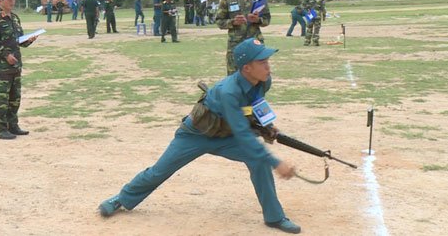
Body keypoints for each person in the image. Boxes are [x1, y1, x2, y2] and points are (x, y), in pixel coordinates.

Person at [98, 38, 301, 234]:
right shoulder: (228, 91)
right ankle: (121, 199)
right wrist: (276, 162)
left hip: (226, 136)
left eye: (268, 61)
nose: (268, 66)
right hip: (195, 135)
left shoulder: (264, 81)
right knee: (159, 171)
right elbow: (243, 135)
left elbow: (255, 104)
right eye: (262, 62)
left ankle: (274, 217)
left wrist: (268, 125)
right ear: (246, 68)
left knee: (259, 162)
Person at [0, 0, 37, 140]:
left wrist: (29, 40)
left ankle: (13, 125)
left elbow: (19, 41)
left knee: (15, 98)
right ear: (0, 1)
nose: (12, 1)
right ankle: (1, 129)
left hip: (15, 65)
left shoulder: (14, 18)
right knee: (2, 100)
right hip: (1, 67)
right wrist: (5, 55)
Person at [216, 0, 271, 75]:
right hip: (236, 46)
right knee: (234, 80)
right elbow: (219, 21)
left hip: (255, 44)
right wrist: (233, 22)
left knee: (257, 77)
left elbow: (267, 19)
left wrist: (258, 20)